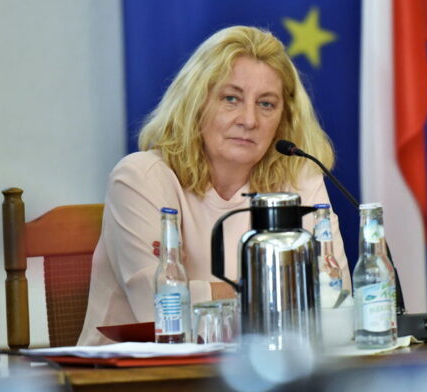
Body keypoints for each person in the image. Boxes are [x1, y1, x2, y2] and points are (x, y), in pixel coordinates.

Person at [78, 25, 351, 345]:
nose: (249, 120)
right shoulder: (141, 177)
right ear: (196, 103)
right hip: (134, 370)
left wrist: (203, 293)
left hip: (260, 366)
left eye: (266, 104)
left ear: (284, 119)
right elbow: (160, 310)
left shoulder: (299, 180)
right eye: (231, 98)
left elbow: (337, 301)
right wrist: (281, 294)